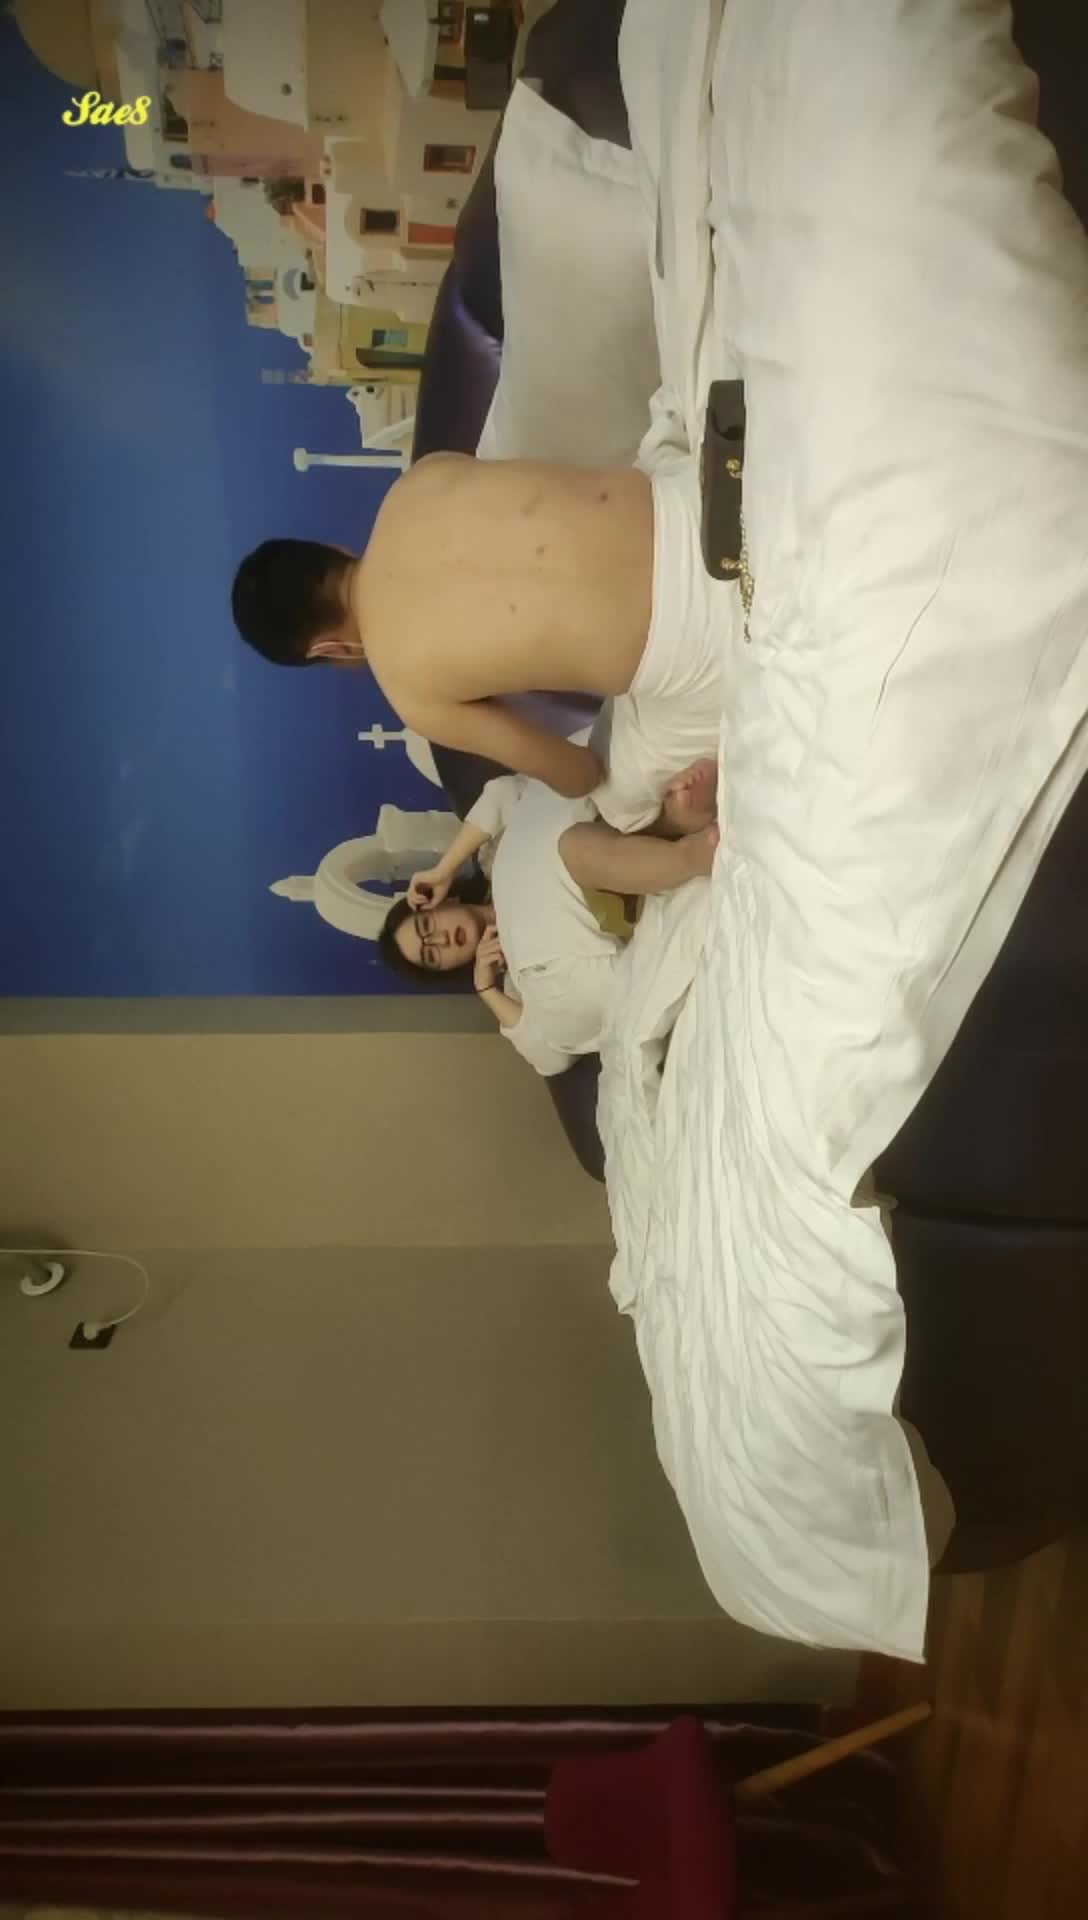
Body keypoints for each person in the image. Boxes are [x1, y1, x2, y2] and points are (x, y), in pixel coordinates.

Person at [231, 453, 732, 826]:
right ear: (331, 549)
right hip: (696, 500)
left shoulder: (408, 691)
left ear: (326, 649)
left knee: (616, 803)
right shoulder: (416, 482)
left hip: (696, 640)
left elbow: (576, 772)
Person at [377, 760, 718, 1076]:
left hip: (606, 849)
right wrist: (487, 989)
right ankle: (683, 829)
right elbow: (551, 1059)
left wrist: (444, 868)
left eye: (427, 927)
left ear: (441, 902)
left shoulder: (494, 858)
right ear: (446, 969)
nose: (440, 940)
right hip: (626, 927)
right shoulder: (517, 983)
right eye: (432, 955)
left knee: (579, 844)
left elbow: (505, 793)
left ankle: (684, 833)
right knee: (591, 855)